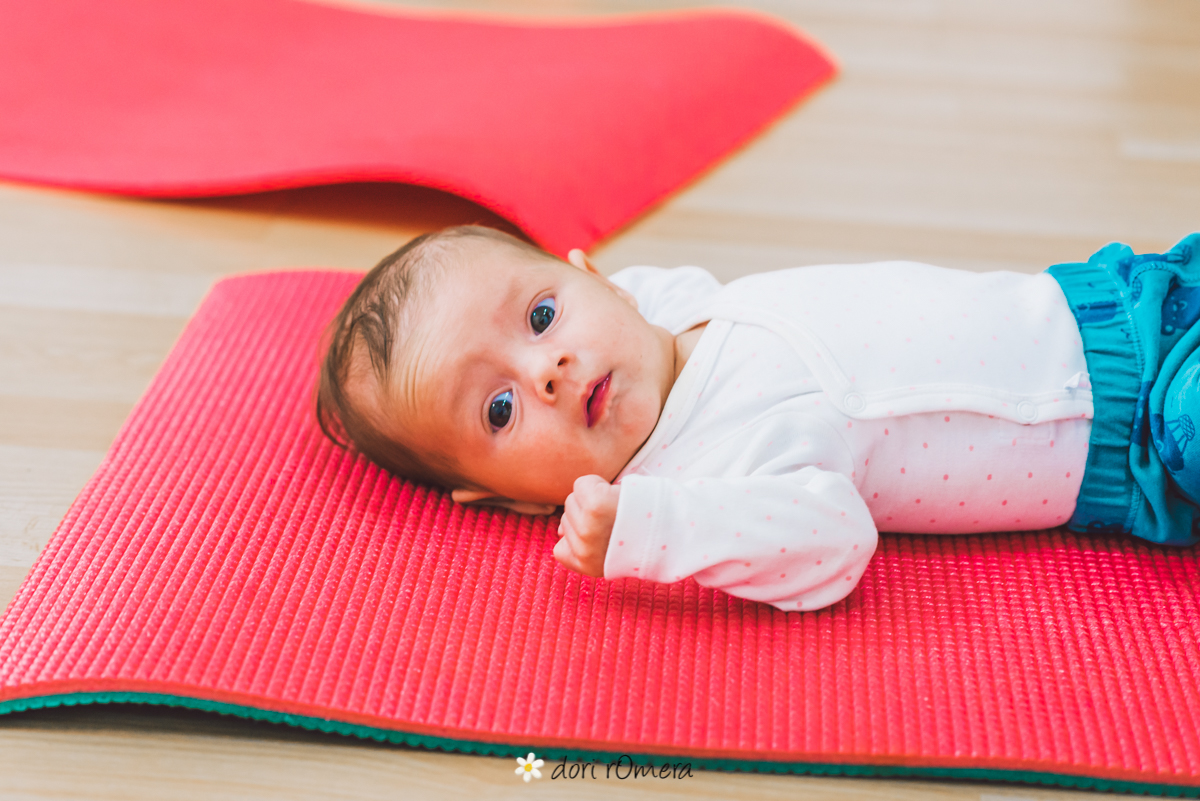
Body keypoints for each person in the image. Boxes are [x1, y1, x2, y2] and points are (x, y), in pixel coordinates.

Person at [316, 225, 1200, 611]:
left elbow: (613, 300)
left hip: (1113, 300)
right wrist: (648, 528)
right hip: (1140, 435)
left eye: (542, 315)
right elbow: (834, 540)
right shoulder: (699, 480)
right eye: (500, 408)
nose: (547, 370)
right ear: (507, 499)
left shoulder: (666, 308)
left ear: (597, 276)